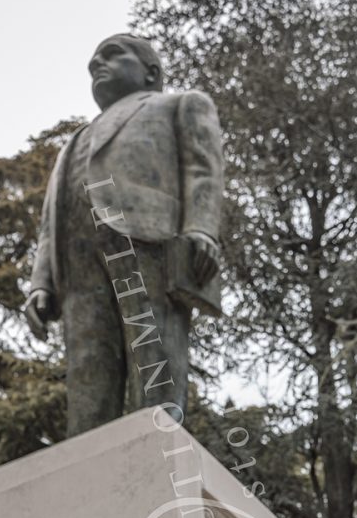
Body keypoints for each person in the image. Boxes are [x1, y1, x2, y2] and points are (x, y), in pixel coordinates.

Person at [25, 33, 224, 436]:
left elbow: (203, 170)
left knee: (154, 353)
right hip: (77, 262)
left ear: (151, 72)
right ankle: (87, 452)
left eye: (112, 55)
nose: (97, 65)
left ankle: (158, 438)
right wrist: (40, 281)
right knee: (86, 360)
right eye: (92, 62)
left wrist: (201, 228)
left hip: (149, 239)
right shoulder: (75, 142)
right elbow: (51, 220)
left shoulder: (180, 104)